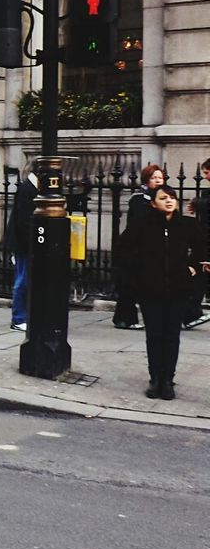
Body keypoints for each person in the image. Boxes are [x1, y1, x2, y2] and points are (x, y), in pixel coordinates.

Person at [115, 185, 207, 400]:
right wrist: (139, 276)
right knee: (154, 336)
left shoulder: (187, 225)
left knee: (171, 336)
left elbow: (202, 249)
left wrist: (192, 268)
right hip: (150, 290)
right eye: (163, 198)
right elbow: (123, 251)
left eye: (172, 197)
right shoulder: (142, 226)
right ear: (153, 203)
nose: (169, 201)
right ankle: (155, 378)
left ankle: (168, 380)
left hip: (178, 290)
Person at [113, 164, 166, 329]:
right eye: (154, 178)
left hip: (148, 247)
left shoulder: (159, 197)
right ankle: (124, 319)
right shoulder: (140, 199)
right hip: (132, 248)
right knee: (130, 284)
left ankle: (186, 315)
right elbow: (143, 223)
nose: (158, 181)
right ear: (146, 180)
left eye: (160, 177)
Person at [4, 167, 39, 331]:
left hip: (27, 242)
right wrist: (30, 246)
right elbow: (24, 222)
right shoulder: (27, 189)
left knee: (28, 280)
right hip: (23, 243)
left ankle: (26, 316)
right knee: (22, 281)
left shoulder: (32, 188)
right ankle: (18, 319)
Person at [185, 157, 210, 328]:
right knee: (197, 276)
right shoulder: (206, 195)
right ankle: (190, 313)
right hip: (204, 242)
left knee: (198, 277)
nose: (206, 177)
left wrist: (197, 203)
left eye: (207, 173)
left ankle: (190, 313)